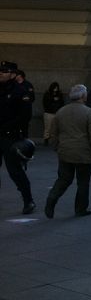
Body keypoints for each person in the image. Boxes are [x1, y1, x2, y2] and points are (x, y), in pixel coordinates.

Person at [44, 84, 91, 218]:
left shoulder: (61, 111)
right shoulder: (89, 112)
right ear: (83, 96)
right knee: (83, 182)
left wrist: (56, 147)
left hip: (65, 151)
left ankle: (52, 198)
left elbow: (54, 133)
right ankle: (80, 208)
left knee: (63, 179)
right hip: (83, 153)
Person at [0, 61, 35, 214]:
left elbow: (25, 116)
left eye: (5, 71)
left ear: (13, 74)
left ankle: (28, 200)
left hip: (10, 136)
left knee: (14, 171)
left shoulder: (21, 91)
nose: (1, 73)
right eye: (0, 71)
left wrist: (6, 127)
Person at [42, 81, 65, 146]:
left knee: (55, 128)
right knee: (48, 127)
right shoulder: (47, 94)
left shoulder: (59, 94)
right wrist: (54, 100)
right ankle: (46, 139)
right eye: (55, 88)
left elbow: (62, 103)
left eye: (57, 88)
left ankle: (53, 140)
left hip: (56, 112)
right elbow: (45, 103)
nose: (56, 89)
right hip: (49, 112)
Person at [13, 69, 34, 138]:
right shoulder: (13, 84)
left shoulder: (28, 85)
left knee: (24, 128)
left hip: (25, 111)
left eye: (15, 74)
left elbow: (31, 97)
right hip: (15, 111)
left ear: (20, 76)